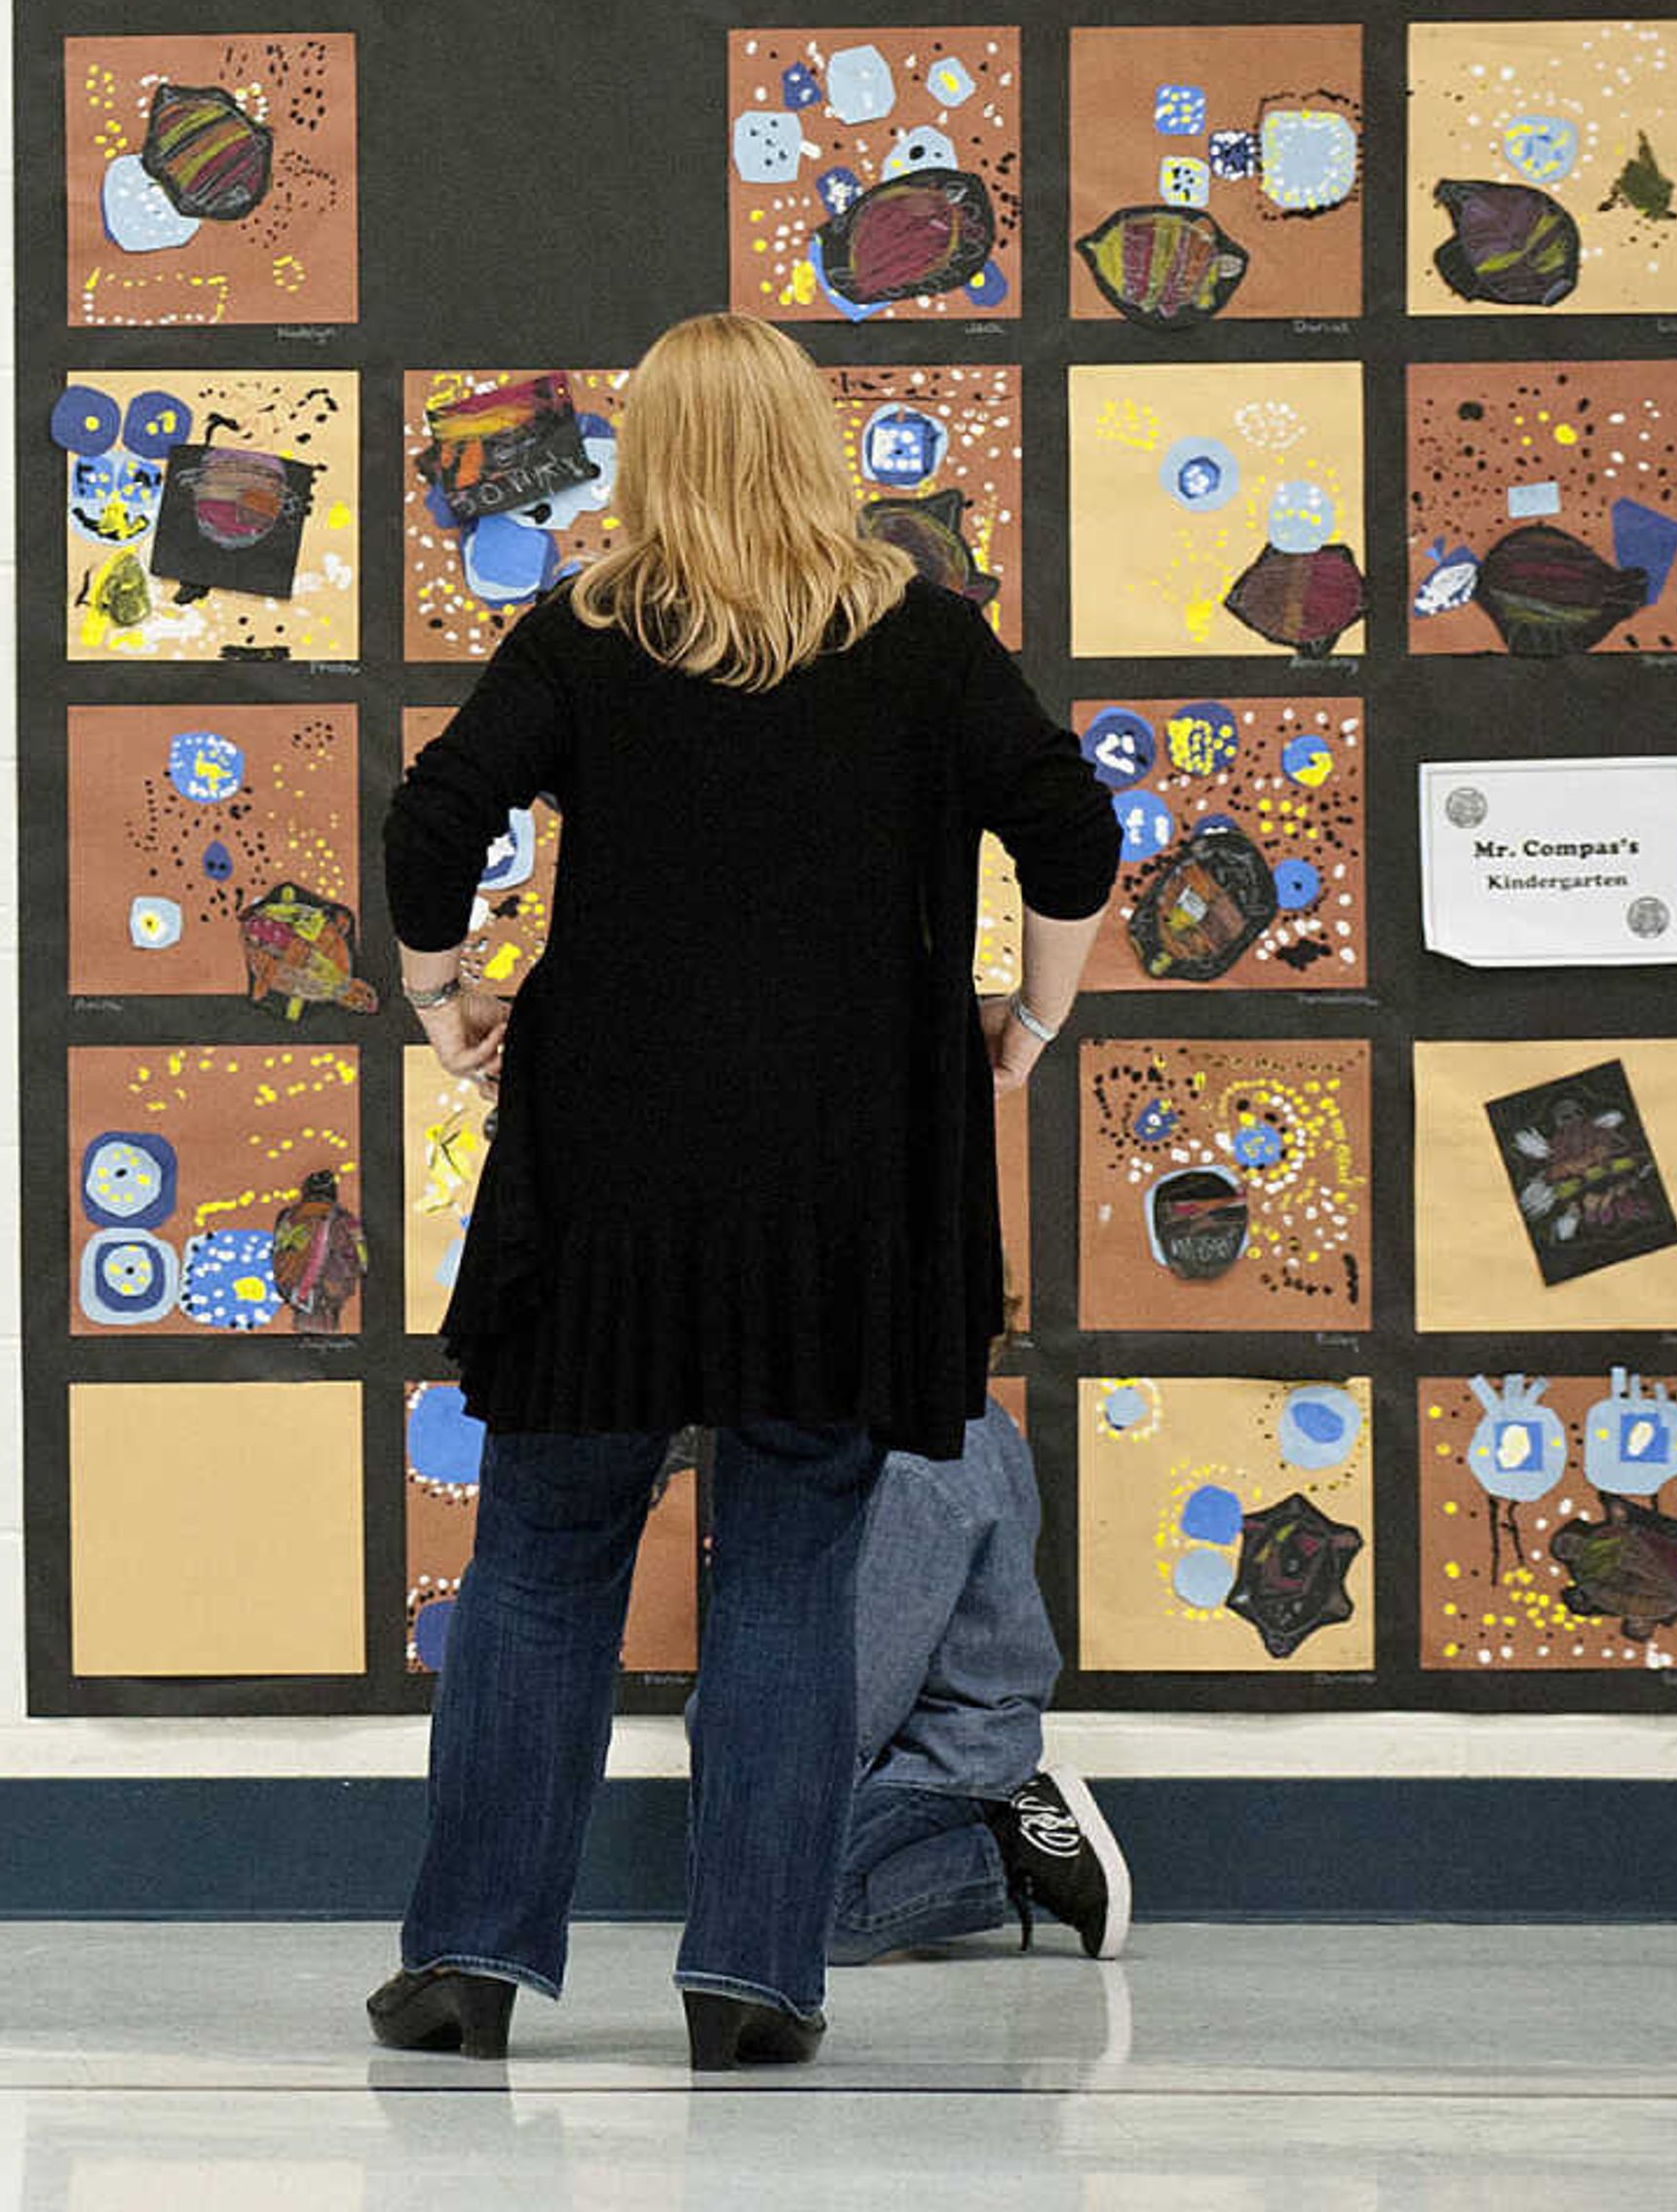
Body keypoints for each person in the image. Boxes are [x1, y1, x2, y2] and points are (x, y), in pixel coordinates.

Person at [362, 310, 1119, 2073]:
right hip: (848, 1184)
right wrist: (1031, 1016)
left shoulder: (587, 636)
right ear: (812, 445)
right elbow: (1074, 832)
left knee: (545, 1563)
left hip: (611, 1176)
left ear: (653, 461)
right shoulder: (925, 642)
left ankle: (471, 1959)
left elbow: (427, 829)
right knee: (789, 1574)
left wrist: (439, 993)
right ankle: (754, 1981)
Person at [833, 1401, 1131, 1966]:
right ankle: (1004, 1821)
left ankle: (1014, 1847)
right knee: (774, 1881)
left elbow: (871, 1677)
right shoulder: (980, 1417)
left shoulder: (913, 1468)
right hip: (973, 1737)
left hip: (941, 1758)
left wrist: (812, 1796)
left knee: (805, 1915)